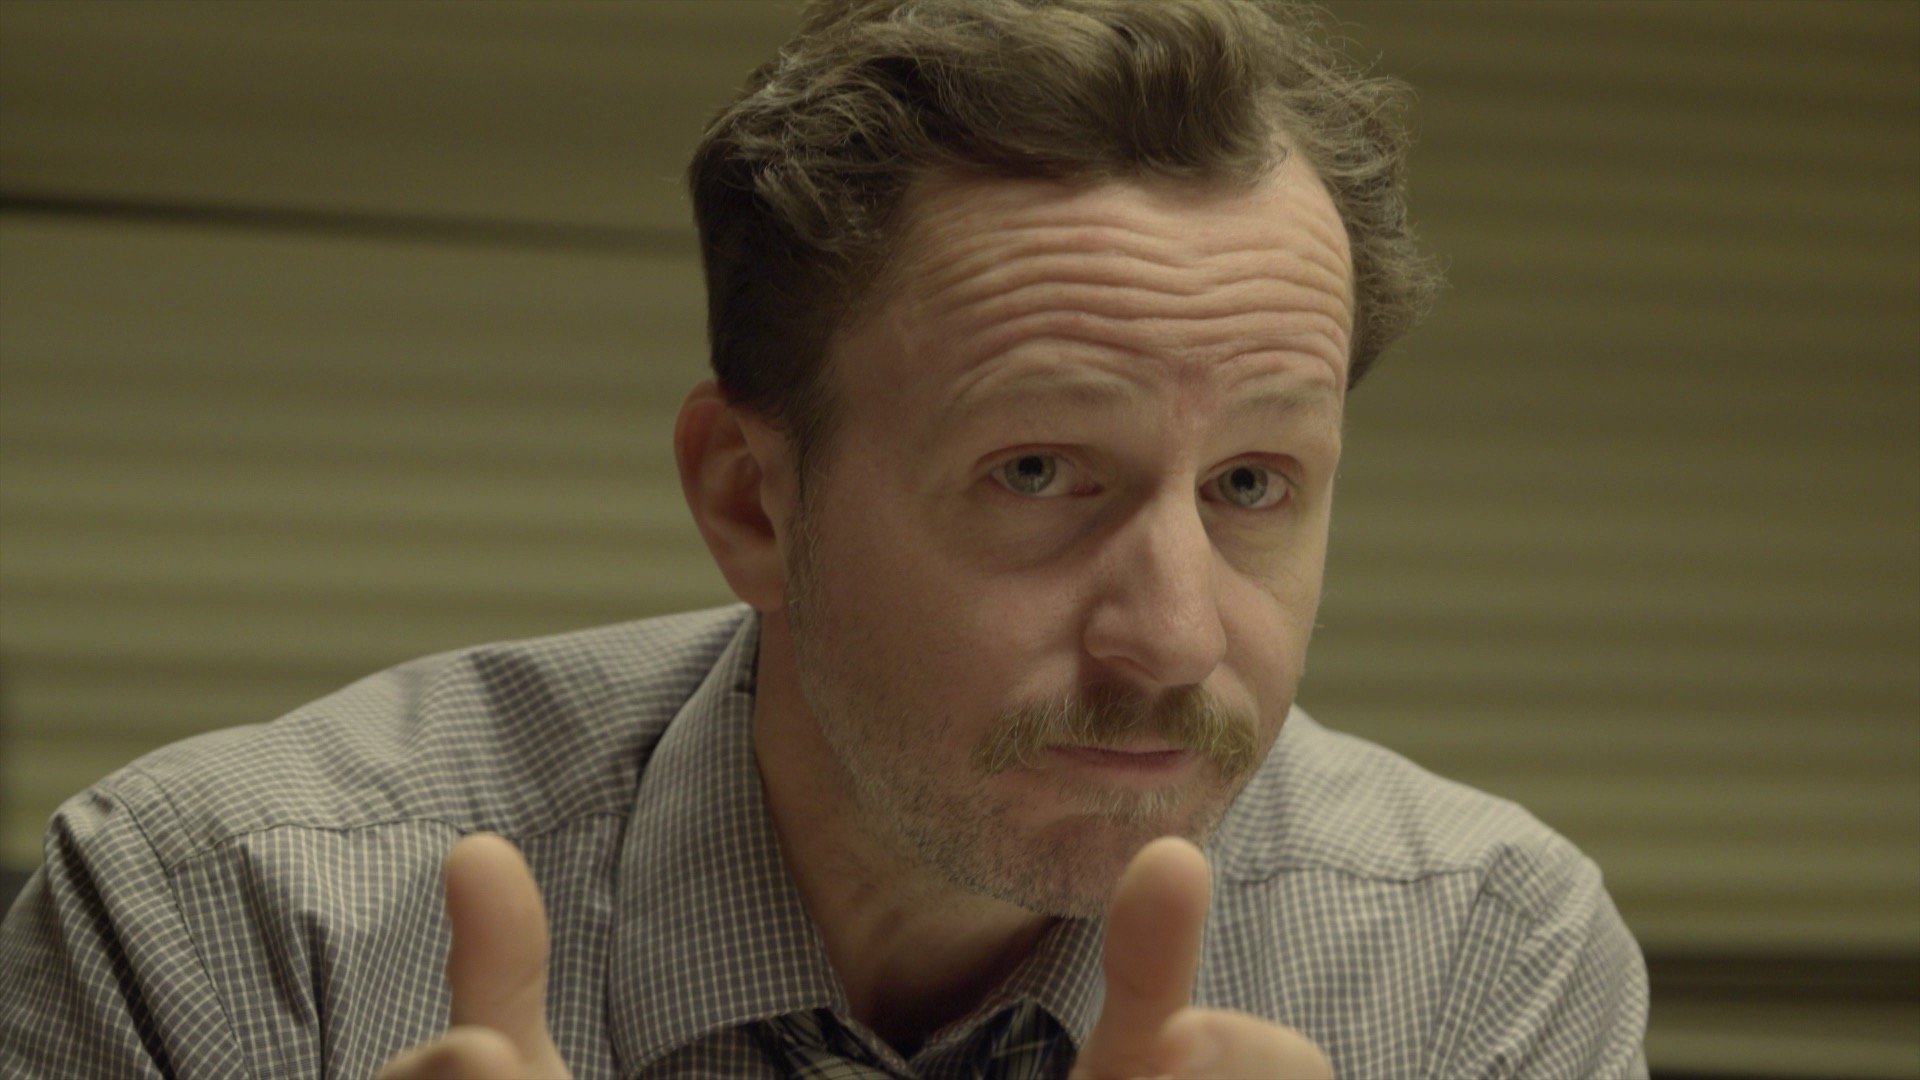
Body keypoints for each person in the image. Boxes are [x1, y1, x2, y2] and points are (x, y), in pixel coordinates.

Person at [0, 1, 1650, 1077]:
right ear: (748, 498)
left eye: (1254, 486)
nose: (1173, 636)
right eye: (1036, 471)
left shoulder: (1475, 961)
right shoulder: (227, 925)